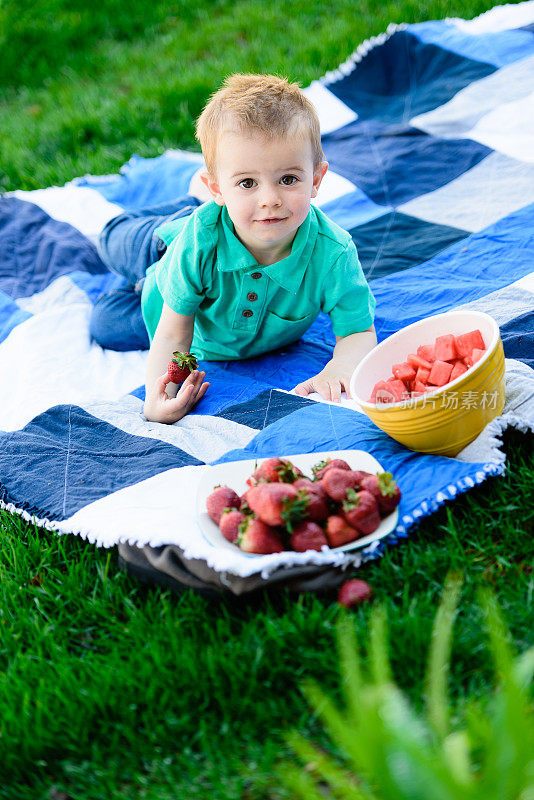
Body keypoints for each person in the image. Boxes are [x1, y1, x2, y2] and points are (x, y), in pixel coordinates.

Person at [90, 73, 377, 424]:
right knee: (109, 240)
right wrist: (157, 399)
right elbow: (172, 333)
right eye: (247, 183)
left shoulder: (333, 254)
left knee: (103, 323)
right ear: (219, 189)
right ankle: (188, 205)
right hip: (168, 248)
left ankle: (146, 280)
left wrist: (341, 367)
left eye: (288, 179)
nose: (270, 200)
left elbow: (358, 331)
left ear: (315, 179)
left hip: (193, 312)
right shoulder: (201, 240)